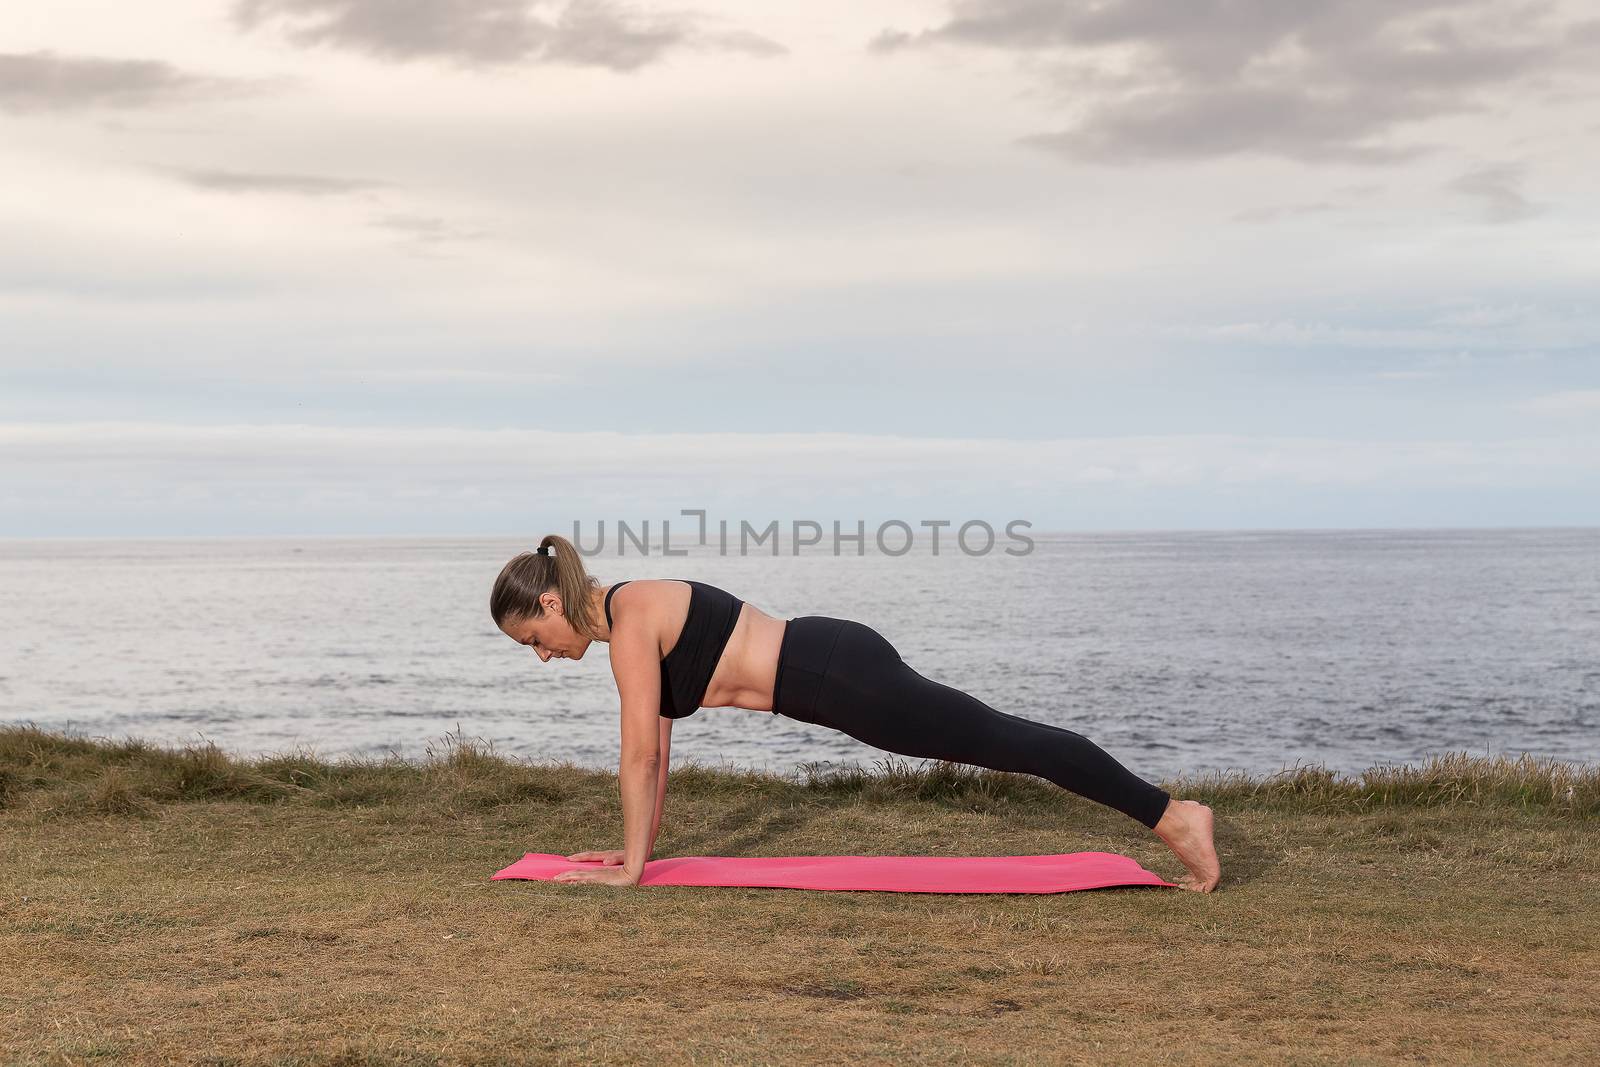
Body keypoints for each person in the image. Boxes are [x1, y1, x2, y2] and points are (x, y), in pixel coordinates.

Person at [491, 534, 1221, 893]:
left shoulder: (631, 616)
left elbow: (638, 758)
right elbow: (658, 753)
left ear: (551, 603)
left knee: (1004, 740)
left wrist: (630, 875)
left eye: (534, 639)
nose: (543, 655)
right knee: (999, 738)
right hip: (833, 663)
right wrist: (635, 854)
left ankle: (1173, 816)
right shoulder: (629, 619)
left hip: (839, 674)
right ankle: (1170, 812)